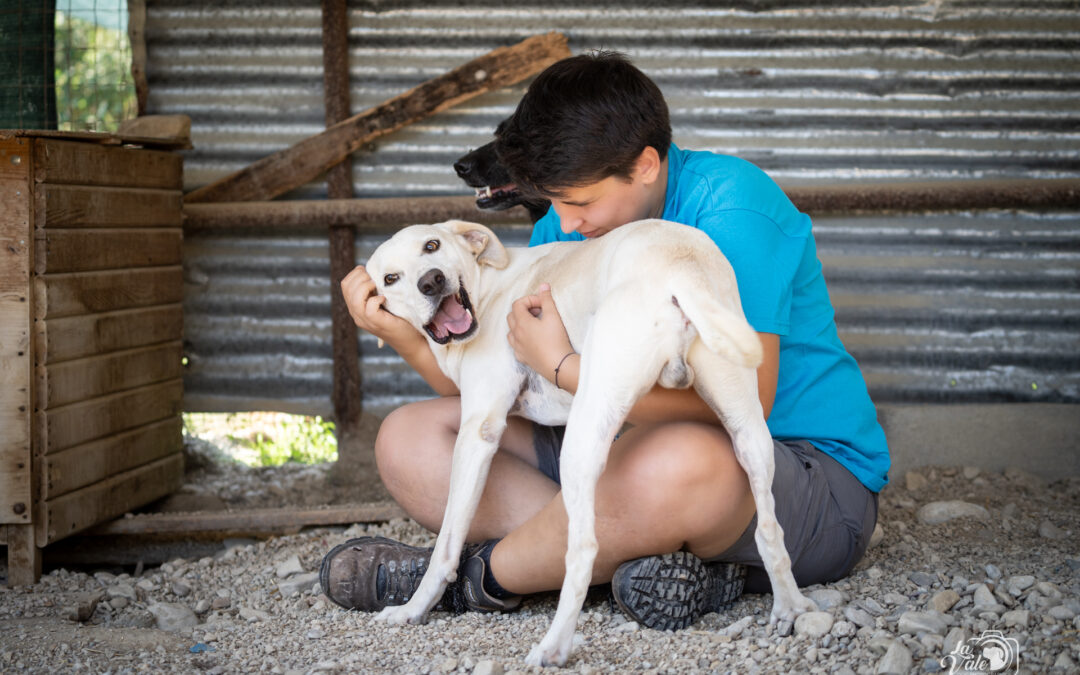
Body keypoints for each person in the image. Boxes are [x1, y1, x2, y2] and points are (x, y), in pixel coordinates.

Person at [320, 51, 889, 630]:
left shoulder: (731, 210)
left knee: (672, 461)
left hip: (799, 475)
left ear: (645, 165)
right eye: (556, 200)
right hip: (620, 441)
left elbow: (747, 403)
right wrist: (399, 331)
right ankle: (636, 559)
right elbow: (488, 379)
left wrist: (565, 368)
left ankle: (475, 580)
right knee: (408, 439)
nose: (564, 223)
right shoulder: (569, 226)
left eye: (580, 201)